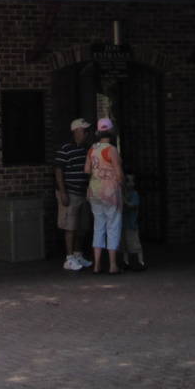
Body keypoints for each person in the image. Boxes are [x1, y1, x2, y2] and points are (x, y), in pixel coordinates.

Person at [86, 117, 124, 274]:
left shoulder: (92, 148)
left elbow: (86, 169)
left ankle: (97, 265)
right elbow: (119, 174)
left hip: (94, 191)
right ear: (111, 131)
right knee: (113, 226)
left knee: (98, 226)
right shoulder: (111, 150)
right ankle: (113, 265)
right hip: (110, 191)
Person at [54, 117, 92, 270]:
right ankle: (69, 258)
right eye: (84, 131)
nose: (86, 134)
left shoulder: (86, 149)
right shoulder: (65, 149)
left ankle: (77, 254)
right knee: (70, 226)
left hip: (83, 192)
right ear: (76, 131)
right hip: (70, 192)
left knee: (82, 226)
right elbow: (58, 170)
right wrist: (63, 192)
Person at [120, 173, 146, 270]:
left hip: (131, 224)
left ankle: (140, 262)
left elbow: (132, 206)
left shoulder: (134, 194)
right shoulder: (122, 193)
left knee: (135, 244)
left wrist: (124, 201)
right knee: (124, 245)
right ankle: (125, 262)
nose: (129, 183)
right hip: (122, 224)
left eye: (130, 181)